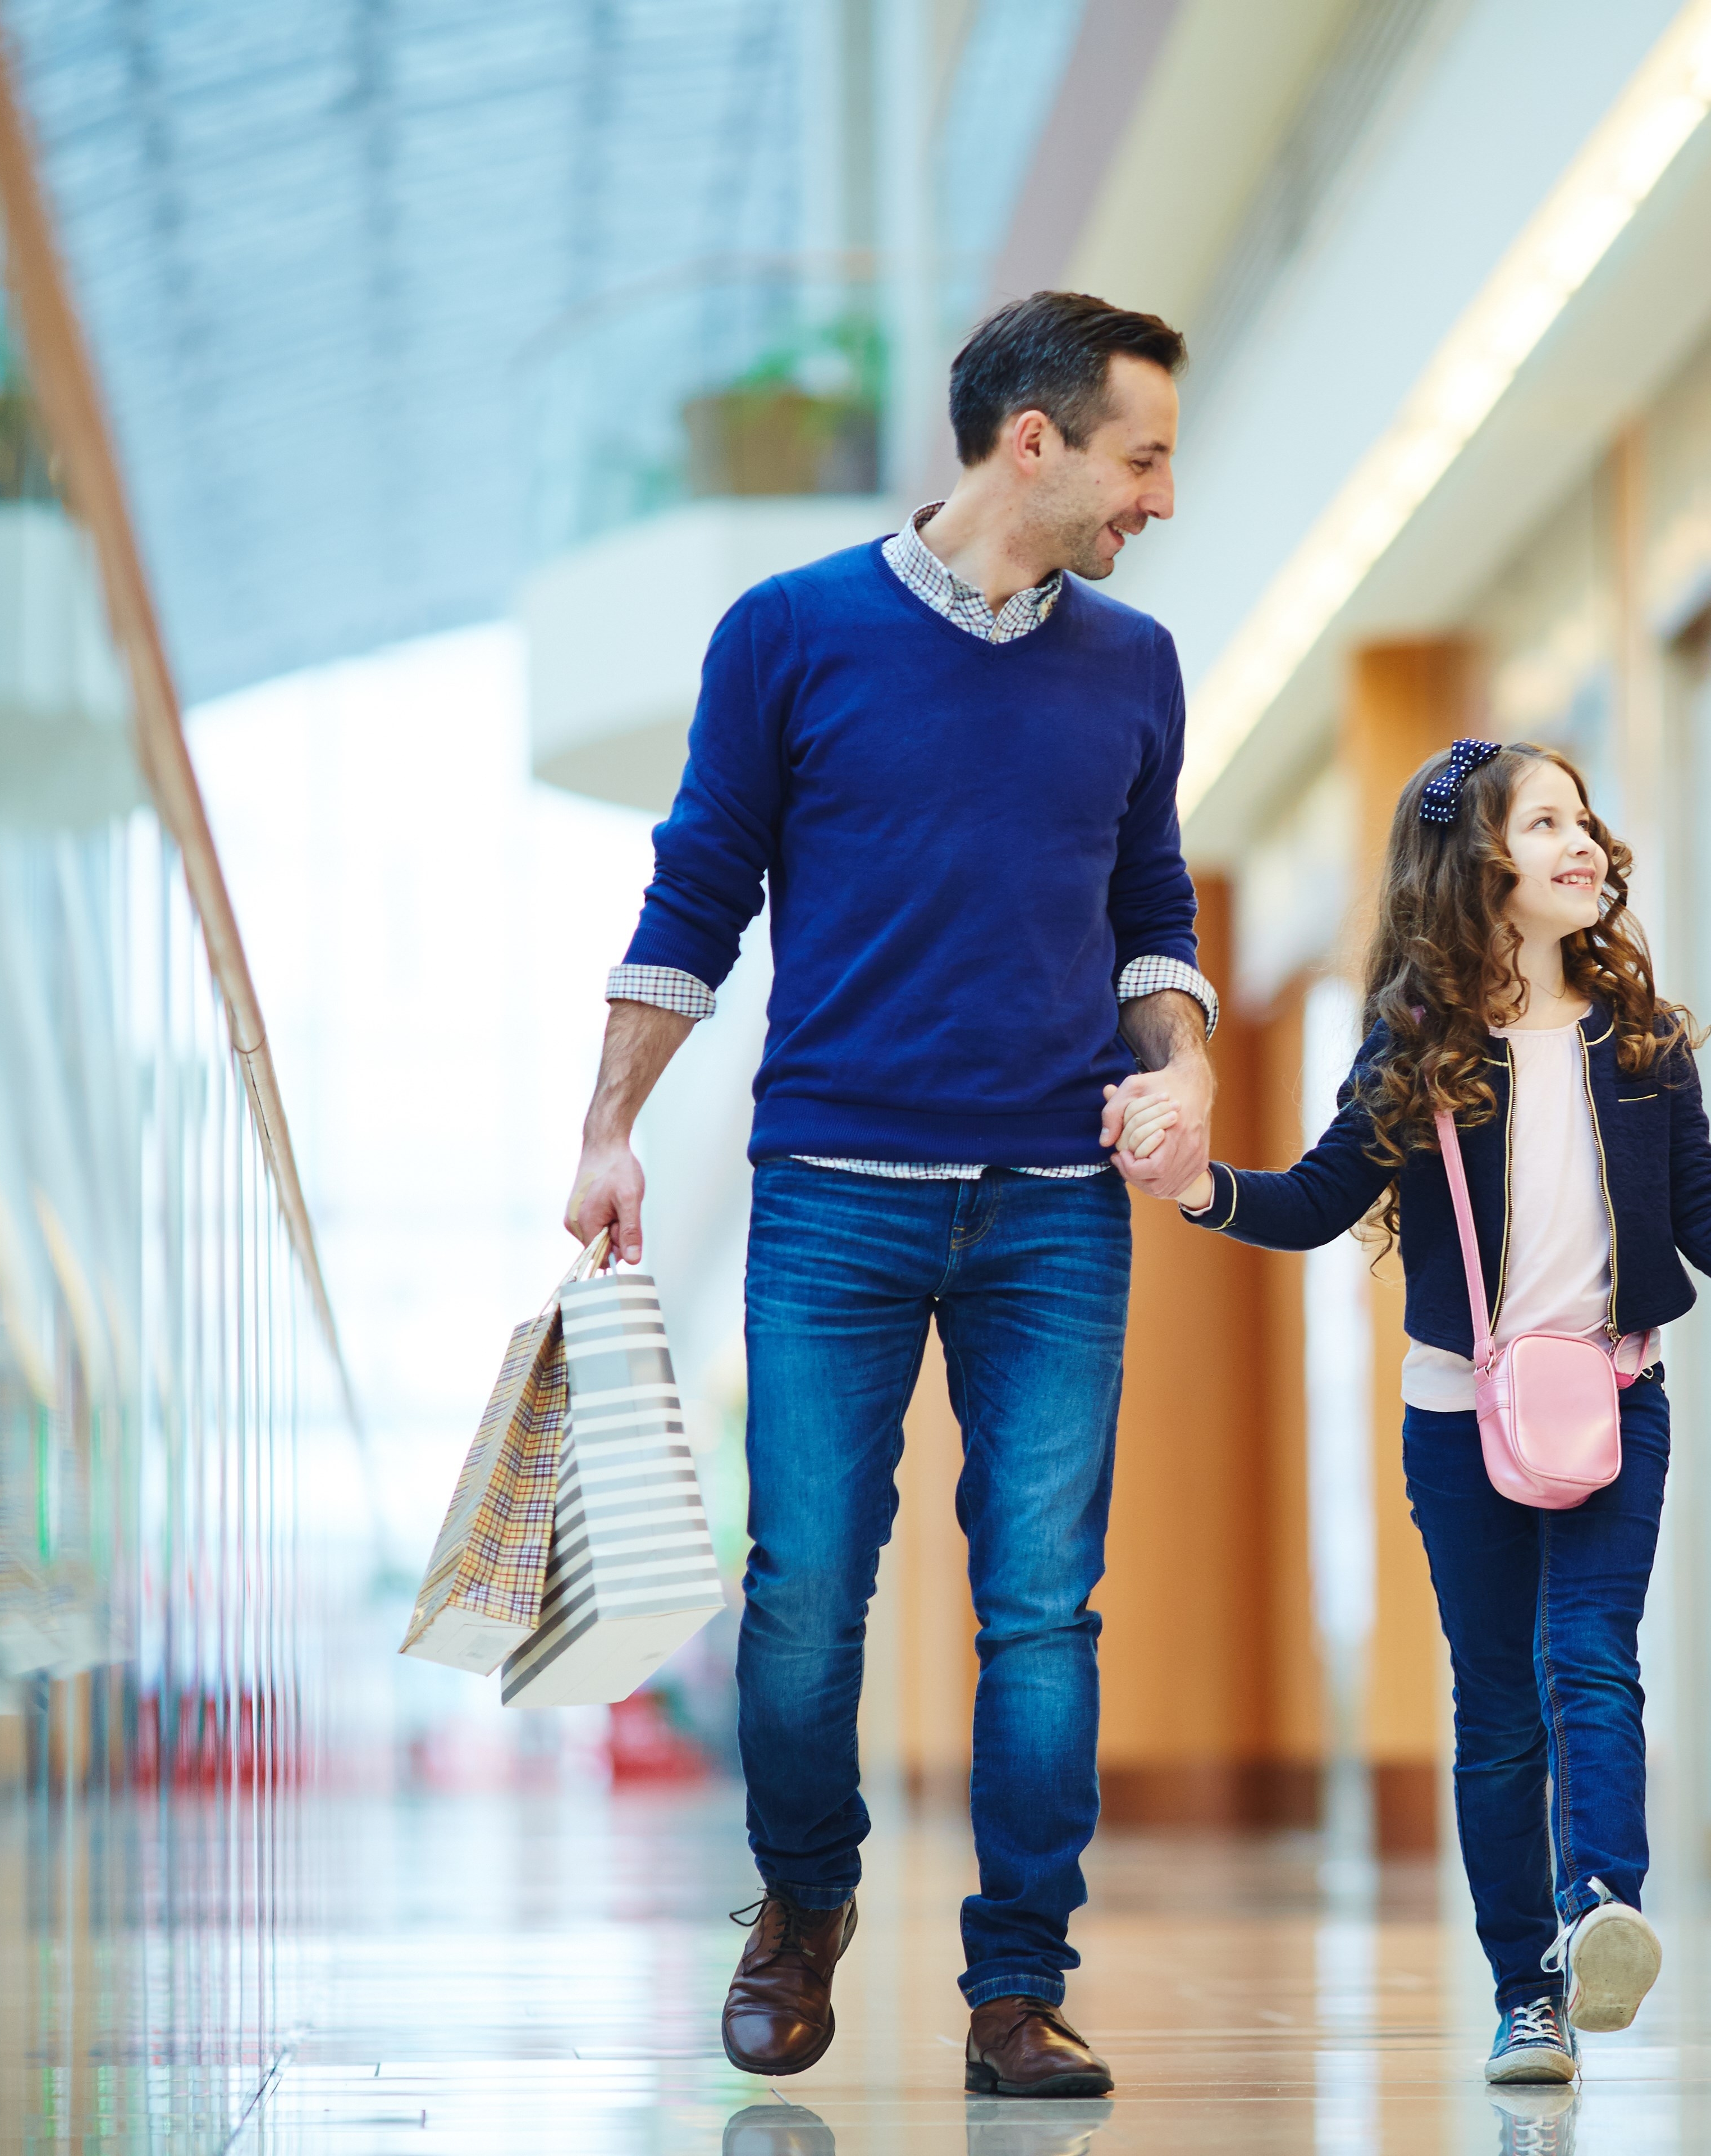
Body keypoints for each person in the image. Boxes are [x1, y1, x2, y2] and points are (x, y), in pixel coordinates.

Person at [564, 291, 1223, 2103]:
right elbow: (695, 890)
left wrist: (1180, 1059)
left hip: (1052, 1209)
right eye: (1142, 457)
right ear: (1037, 442)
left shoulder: (1134, 666)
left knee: (1039, 1607)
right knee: (803, 1592)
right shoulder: (789, 636)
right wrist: (612, 1126)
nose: (1161, 497)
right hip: (836, 1192)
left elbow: (1150, 908)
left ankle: (1018, 1986)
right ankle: (801, 1905)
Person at [1164, 739, 1711, 2087]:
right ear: (1480, 867)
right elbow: (1320, 1200)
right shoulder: (1419, 1045)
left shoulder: (1643, 1040)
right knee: (1498, 1708)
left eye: (1585, 820)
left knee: (1589, 1655)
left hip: (1620, 1400)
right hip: (1461, 1423)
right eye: (1545, 822)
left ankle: (1602, 1904)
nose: (1582, 844)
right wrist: (1204, 1188)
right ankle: (1526, 1996)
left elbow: (1705, 1209)